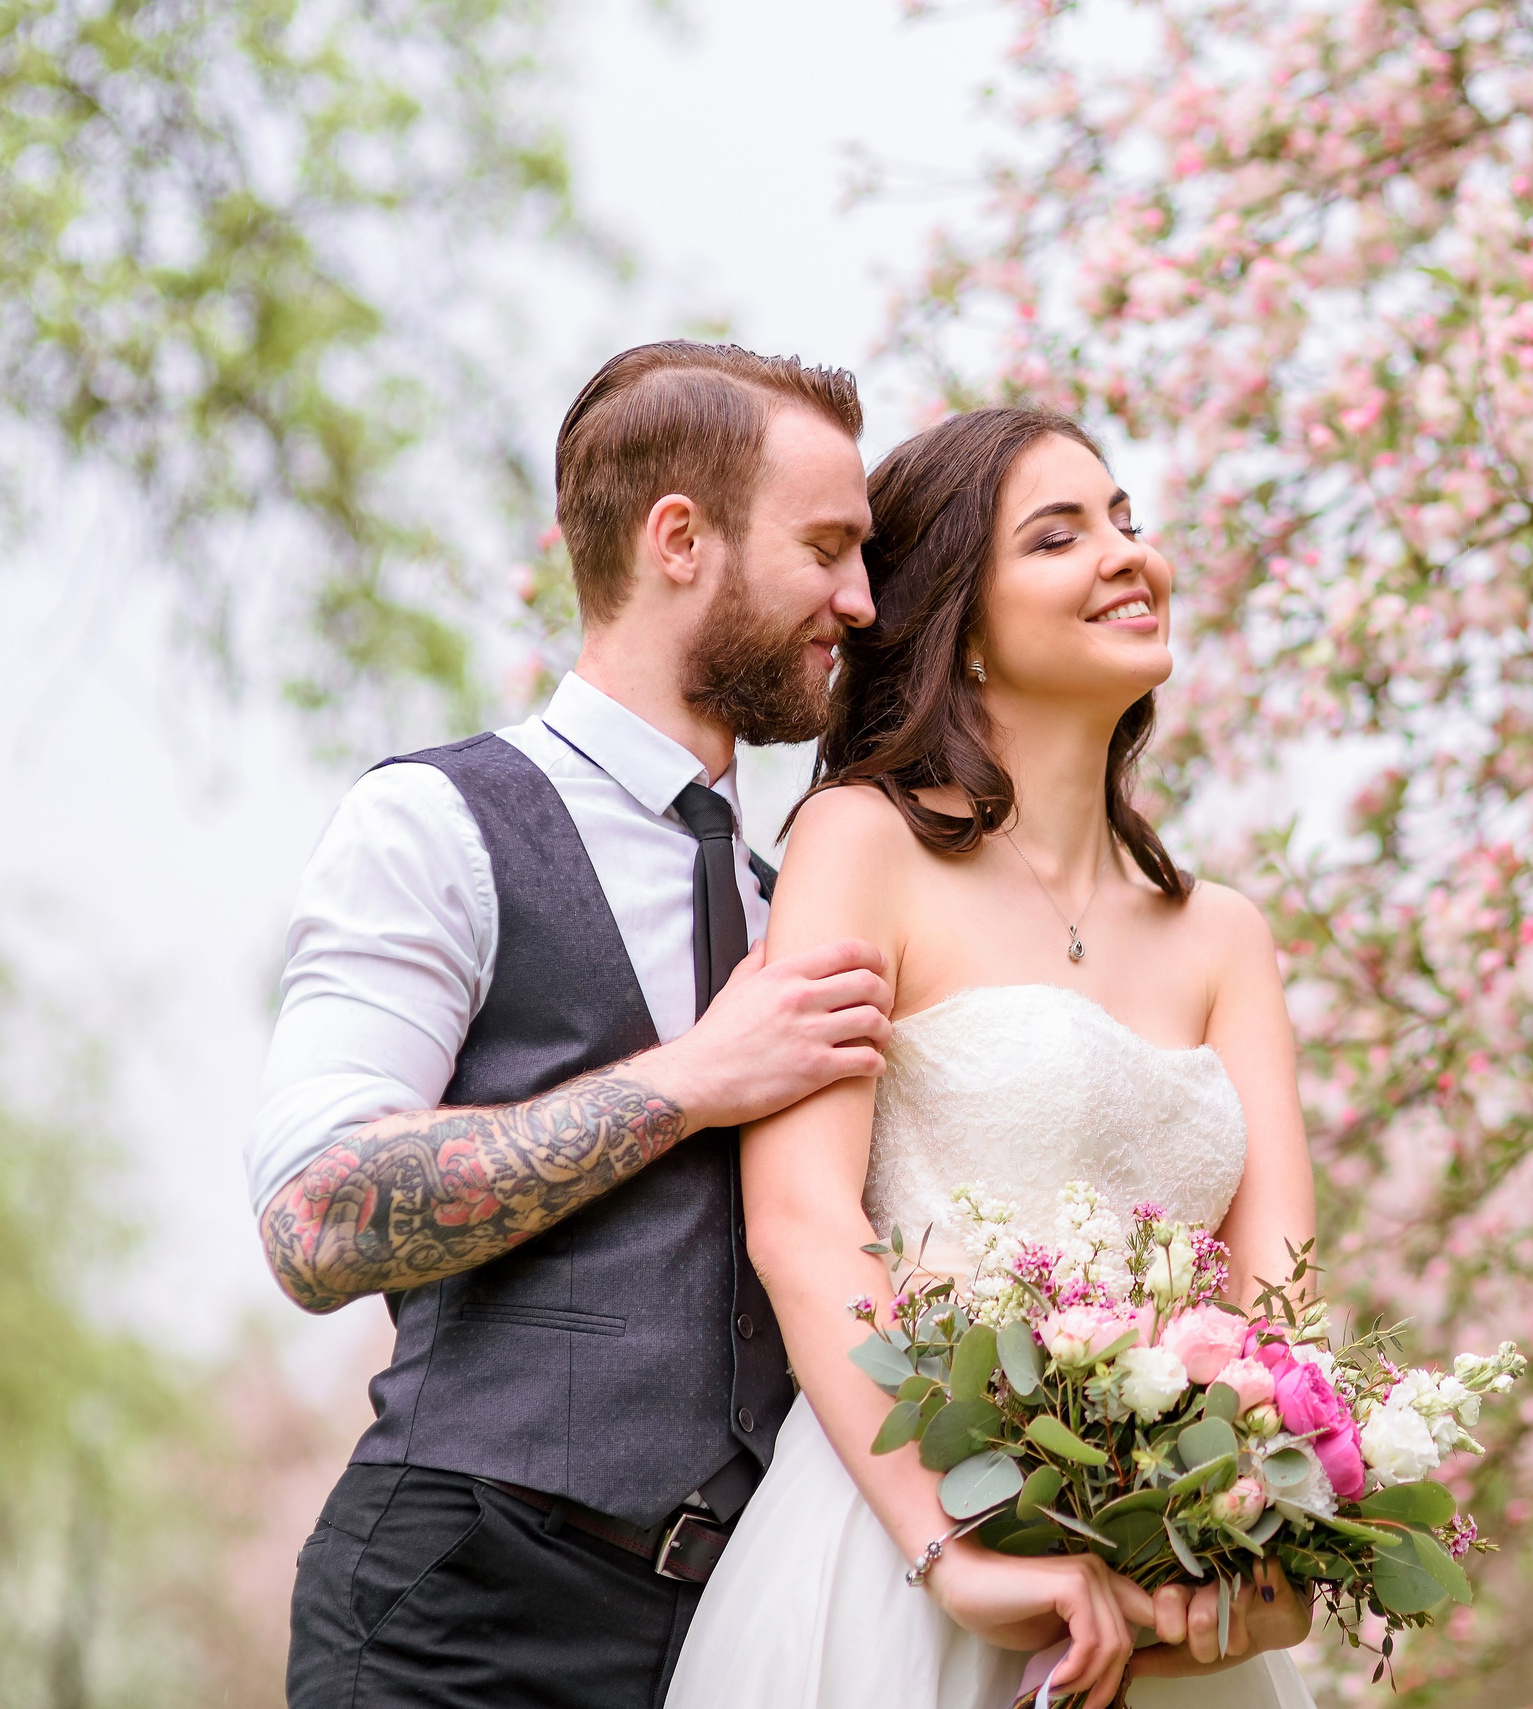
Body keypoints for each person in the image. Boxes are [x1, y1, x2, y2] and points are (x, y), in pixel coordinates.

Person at [252, 341, 900, 1709]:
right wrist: (691, 1080)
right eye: (829, 547)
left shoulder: (796, 897)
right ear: (680, 538)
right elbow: (313, 1221)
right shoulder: (434, 823)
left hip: (745, 1637)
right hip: (462, 1622)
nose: (861, 597)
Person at [662, 406, 1321, 1707]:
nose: (1129, 554)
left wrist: (1268, 1535)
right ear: (959, 620)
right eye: (1061, 535)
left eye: (1128, 519)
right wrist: (949, 1546)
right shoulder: (861, 847)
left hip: (1171, 1591)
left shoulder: (1226, 937)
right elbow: (800, 1222)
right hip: (904, 1560)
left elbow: (1281, 1305)